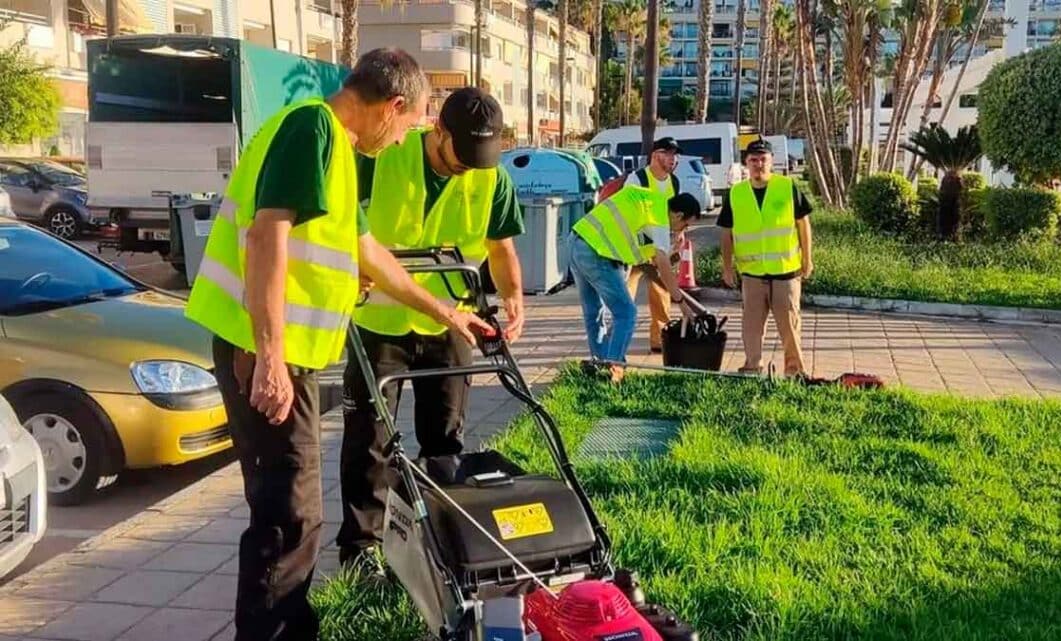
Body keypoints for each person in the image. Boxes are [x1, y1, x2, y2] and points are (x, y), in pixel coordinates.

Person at [183, 49, 491, 641]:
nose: (404, 136)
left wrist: (447, 311)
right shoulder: (312, 127)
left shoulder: (338, 153)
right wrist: (269, 357)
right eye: (408, 124)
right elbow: (265, 235)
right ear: (392, 107)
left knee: (290, 511)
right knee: (288, 515)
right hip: (262, 354)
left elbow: (368, 254)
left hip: (281, 354)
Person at [337, 87, 526, 568]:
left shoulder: (491, 178)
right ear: (437, 130)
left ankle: (441, 538)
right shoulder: (382, 156)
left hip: (451, 324)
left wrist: (513, 297)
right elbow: (336, 224)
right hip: (379, 323)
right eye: (461, 155)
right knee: (369, 441)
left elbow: (500, 246)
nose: (468, 167)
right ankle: (361, 548)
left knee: (445, 439)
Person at [568, 185, 702, 382]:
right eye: (686, 225)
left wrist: (669, 264)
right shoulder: (660, 217)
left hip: (577, 241)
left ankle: (600, 365)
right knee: (627, 313)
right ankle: (614, 369)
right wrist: (680, 302)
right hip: (598, 254)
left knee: (593, 312)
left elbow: (652, 268)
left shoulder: (650, 202)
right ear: (678, 215)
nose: (683, 230)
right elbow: (662, 265)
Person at [717, 138, 814, 376]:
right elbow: (726, 233)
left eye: (763, 160)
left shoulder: (786, 186)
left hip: (785, 271)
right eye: (753, 160)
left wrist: (807, 259)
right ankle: (752, 366)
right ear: (746, 164)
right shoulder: (736, 193)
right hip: (752, 273)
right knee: (751, 326)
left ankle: (795, 371)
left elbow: (803, 224)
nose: (758, 164)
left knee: (789, 325)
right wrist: (727, 267)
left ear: (772, 162)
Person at [624, 137, 687, 353]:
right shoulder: (637, 179)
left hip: (661, 246)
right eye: (668, 153)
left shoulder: (674, 182)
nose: (673, 159)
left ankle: (659, 339)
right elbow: (627, 213)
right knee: (625, 293)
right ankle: (617, 338)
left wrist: (679, 232)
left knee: (661, 292)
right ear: (655, 155)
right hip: (635, 248)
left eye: (675, 154)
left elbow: (676, 212)